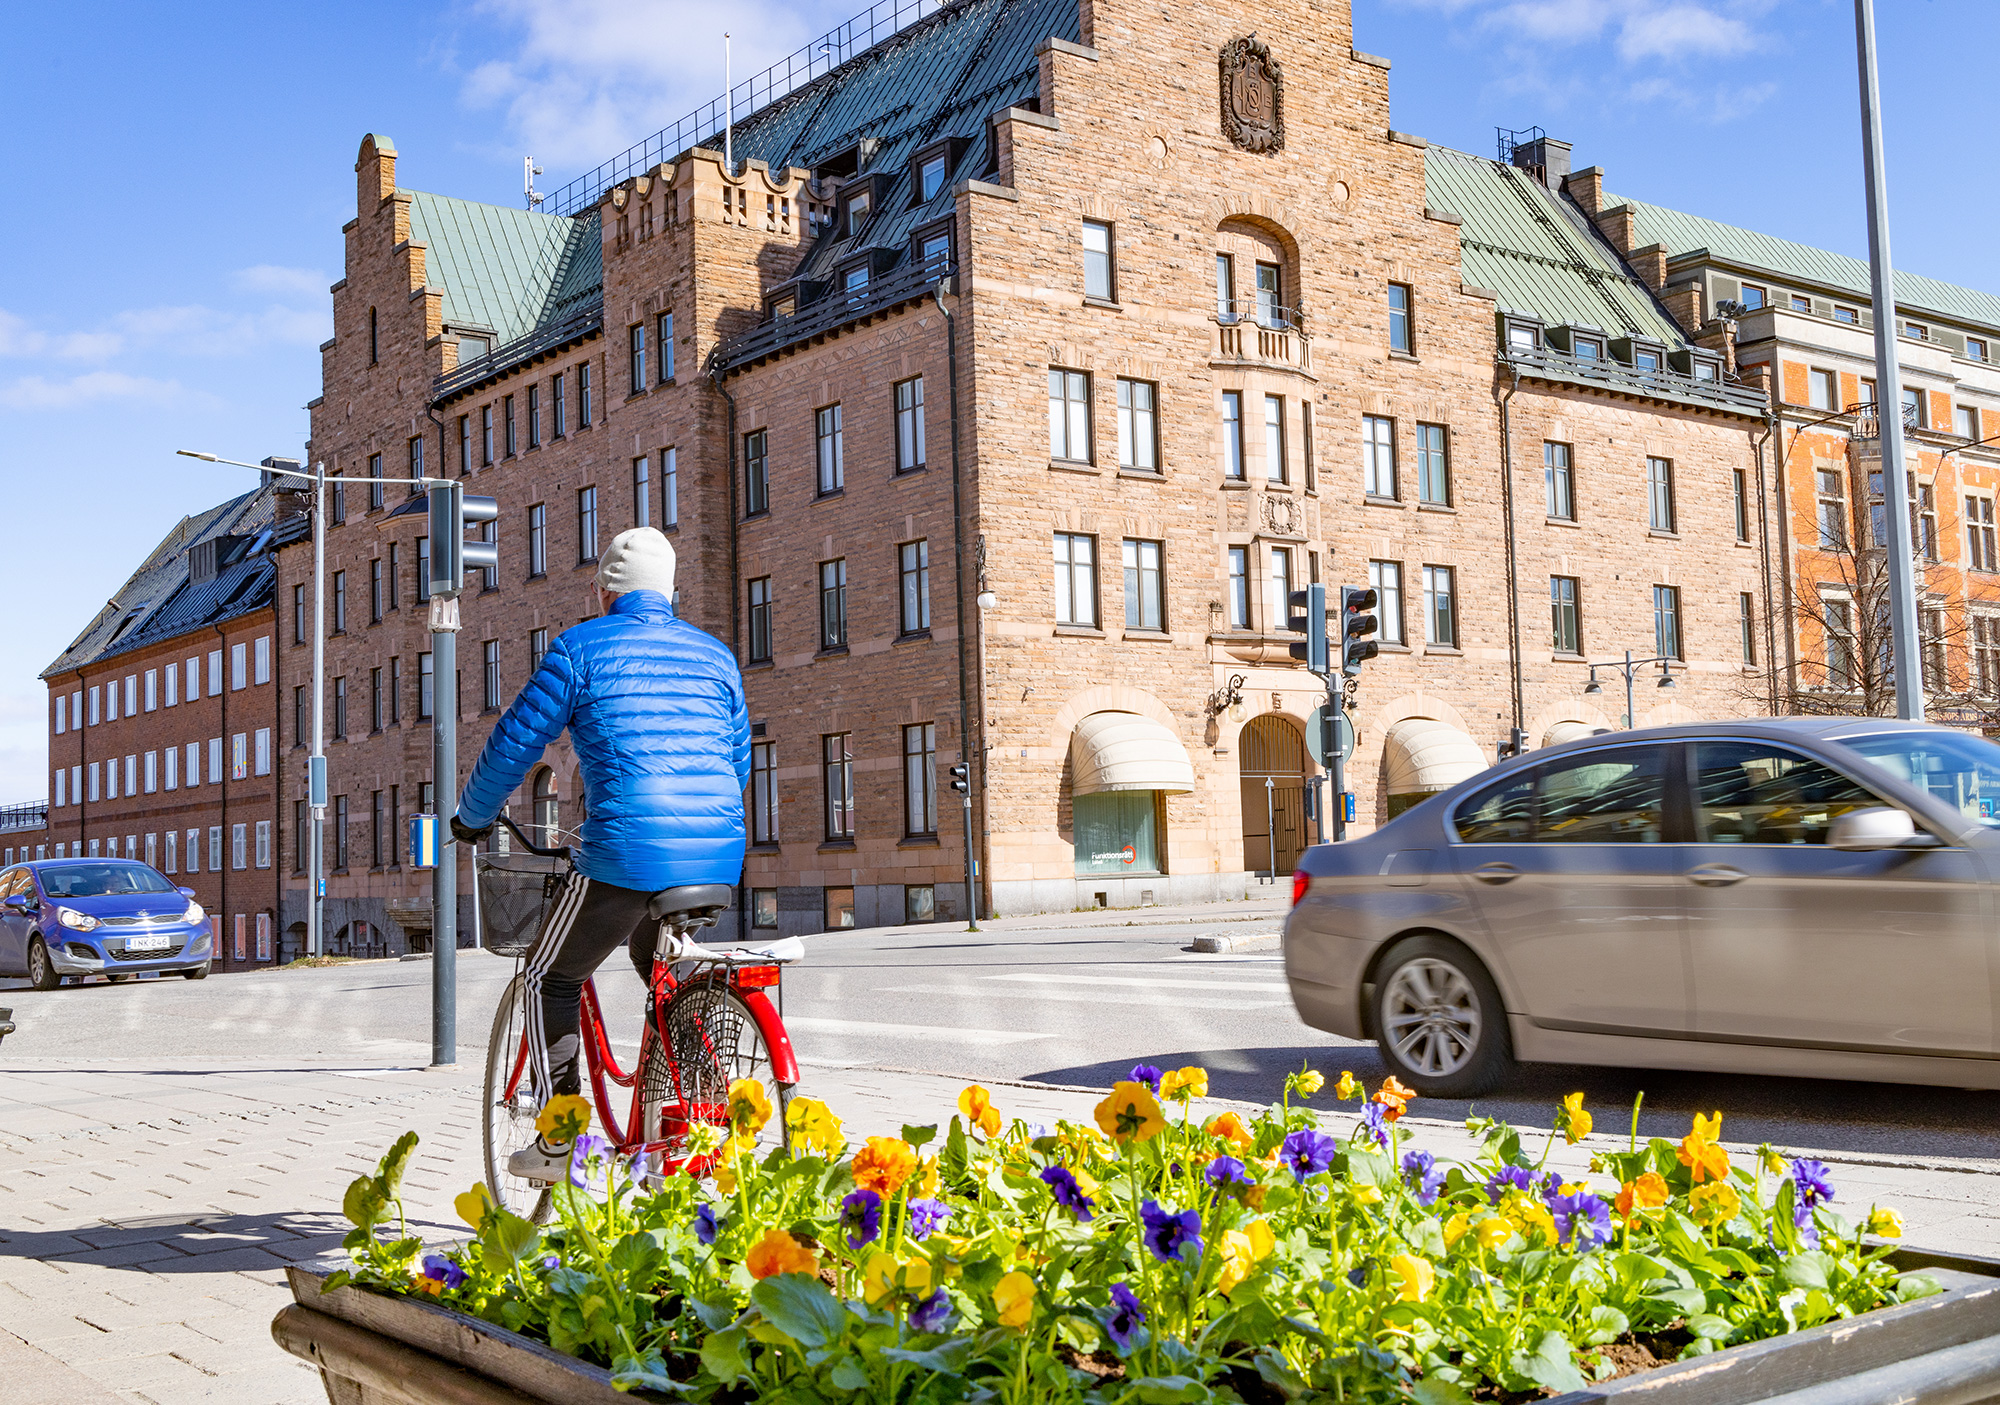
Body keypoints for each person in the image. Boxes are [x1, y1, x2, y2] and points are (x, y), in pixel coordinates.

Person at [451, 526, 749, 1181]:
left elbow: (513, 744)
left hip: (624, 849)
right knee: (659, 962)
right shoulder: (716, 655)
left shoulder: (580, 647)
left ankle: (559, 1141)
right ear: (671, 592)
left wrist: (470, 817)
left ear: (603, 590)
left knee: (549, 975)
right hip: (718, 852)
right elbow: (737, 761)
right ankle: (685, 1106)